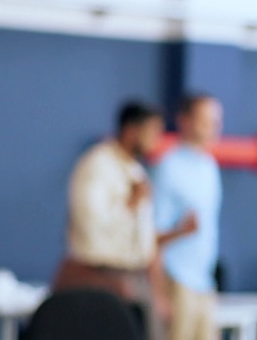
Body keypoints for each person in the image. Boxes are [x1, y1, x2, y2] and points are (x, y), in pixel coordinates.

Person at [55, 100, 183, 340]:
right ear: (132, 130)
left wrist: (157, 292)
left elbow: (145, 239)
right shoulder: (97, 165)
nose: (156, 140)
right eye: (152, 131)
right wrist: (130, 204)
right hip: (101, 277)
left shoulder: (135, 170)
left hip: (136, 277)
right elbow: (90, 226)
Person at [152, 94, 223, 340]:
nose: (213, 128)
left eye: (216, 121)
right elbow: (152, 237)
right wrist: (159, 295)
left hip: (204, 282)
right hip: (177, 281)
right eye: (205, 121)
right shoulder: (168, 167)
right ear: (185, 121)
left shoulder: (209, 166)